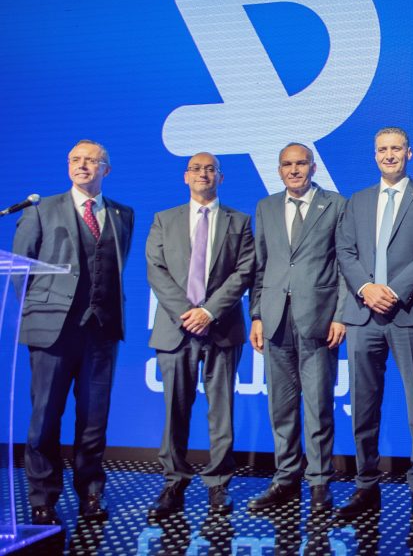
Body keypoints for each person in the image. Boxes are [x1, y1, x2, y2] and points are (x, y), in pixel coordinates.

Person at [13, 139, 135, 525]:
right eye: (75, 160)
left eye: (91, 161)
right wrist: (43, 310)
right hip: (51, 332)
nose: (82, 165)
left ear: (106, 170)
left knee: (94, 420)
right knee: (45, 419)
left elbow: (114, 266)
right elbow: (21, 272)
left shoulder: (123, 214)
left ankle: (91, 494)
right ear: (68, 166)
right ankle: (43, 498)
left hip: (101, 332)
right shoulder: (40, 209)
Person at [336, 127, 413, 524]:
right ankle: (366, 484)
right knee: (363, 406)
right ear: (375, 155)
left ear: (408, 153)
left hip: (409, 313)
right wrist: (367, 289)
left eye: (396, 148)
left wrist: (394, 291)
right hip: (363, 314)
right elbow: (345, 251)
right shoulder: (358, 200)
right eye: (382, 149)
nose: (389, 155)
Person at [145, 152, 255, 518]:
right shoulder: (164, 219)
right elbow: (156, 270)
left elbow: (244, 271)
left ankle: (218, 484)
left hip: (221, 328)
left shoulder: (240, 221)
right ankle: (173, 482)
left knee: (221, 413)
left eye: (210, 169)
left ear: (221, 178)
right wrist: (187, 313)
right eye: (196, 168)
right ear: (185, 176)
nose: (203, 174)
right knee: (174, 412)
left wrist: (208, 311)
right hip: (175, 329)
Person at [247, 143, 347, 514]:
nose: (294, 170)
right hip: (275, 319)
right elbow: (260, 266)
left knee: (318, 406)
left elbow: (345, 265)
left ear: (313, 167)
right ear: (279, 170)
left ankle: (319, 483)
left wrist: (341, 315)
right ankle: (285, 479)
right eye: (287, 164)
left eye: (301, 163)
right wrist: (257, 314)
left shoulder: (336, 204)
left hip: (318, 318)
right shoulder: (266, 207)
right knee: (281, 407)